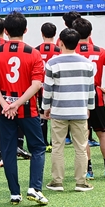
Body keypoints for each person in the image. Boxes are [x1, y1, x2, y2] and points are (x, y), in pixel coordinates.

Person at [0, 12, 48, 206]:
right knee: (38, 147)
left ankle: (15, 193)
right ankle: (34, 188)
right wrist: (18, 103)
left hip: (4, 110)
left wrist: (6, 104)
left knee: (8, 150)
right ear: (25, 30)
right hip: (27, 109)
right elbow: (37, 84)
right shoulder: (34, 53)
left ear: (5, 31)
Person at [41, 28, 97, 193]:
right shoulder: (87, 63)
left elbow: (47, 89)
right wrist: (89, 108)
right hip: (80, 110)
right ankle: (81, 182)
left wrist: (45, 108)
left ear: (60, 43)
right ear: (78, 43)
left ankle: (57, 182)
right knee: (81, 146)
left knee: (58, 146)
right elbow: (90, 89)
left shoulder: (52, 63)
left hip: (59, 110)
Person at [74, 18, 105, 178]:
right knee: (103, 133)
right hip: (96, 95)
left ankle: (88, 171)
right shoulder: (99, 51)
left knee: (83, 135)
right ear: (91, 33)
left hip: (78, 96)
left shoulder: (71, 52)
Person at [35, 22, 60, 151]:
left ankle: (44, 142)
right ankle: (55, 143)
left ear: (42, 34)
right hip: (56, 87)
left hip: (40, 87)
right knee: (55, 115)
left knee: (43, 114)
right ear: (55, 34)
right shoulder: (59, 51)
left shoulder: (35, 50)